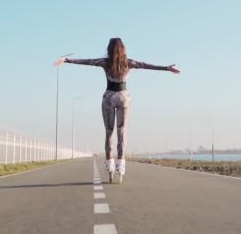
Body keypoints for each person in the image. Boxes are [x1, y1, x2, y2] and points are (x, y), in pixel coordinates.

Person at [53, 37, 180, 182]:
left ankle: (110, 167)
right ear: (123, 49)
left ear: (109, 49)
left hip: (108, 97)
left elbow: (88, 62)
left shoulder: (105, 62)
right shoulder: (128, 62)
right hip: (124, 97)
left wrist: (68, 61)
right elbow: (146, 65)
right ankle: (121, 165)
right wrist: (166, 68)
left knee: (109, 133)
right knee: (122, 131)